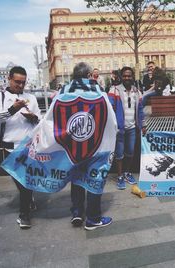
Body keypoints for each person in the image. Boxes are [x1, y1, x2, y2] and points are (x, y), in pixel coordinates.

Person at [61, 62, 115, 230]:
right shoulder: (98, 91)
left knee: (76, 179)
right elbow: (110, 119)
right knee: (94, 179)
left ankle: (77, 212)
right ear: (89, 75)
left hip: (73, 147)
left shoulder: (63, 91)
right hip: (95, 145)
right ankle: (93, 219)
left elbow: (52, 118)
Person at [0, 66, 41, 229]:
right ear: (9, 79)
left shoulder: (30, 98)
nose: (20, 85)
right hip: (8, 149)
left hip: (28, 147)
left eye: (23, 82)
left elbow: (40, 120)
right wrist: (13, 109)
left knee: (25, 182)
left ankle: (25, 212)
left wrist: (33, 117)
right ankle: (26, 209)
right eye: (17, 82)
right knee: (23, 182)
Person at [108, 66, 146, 189]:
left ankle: (127, 173)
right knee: (119, 154)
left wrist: (143, 125)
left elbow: (140, 110)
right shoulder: (114, 90)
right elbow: (110, 108)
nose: (127, 78)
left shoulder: (137, 92)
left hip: (132, 128)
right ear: (121, 77)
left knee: (130, 152)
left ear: (132, 77)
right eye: (124, 76)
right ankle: (119, 176)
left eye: (129, 76)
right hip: (119, 129)